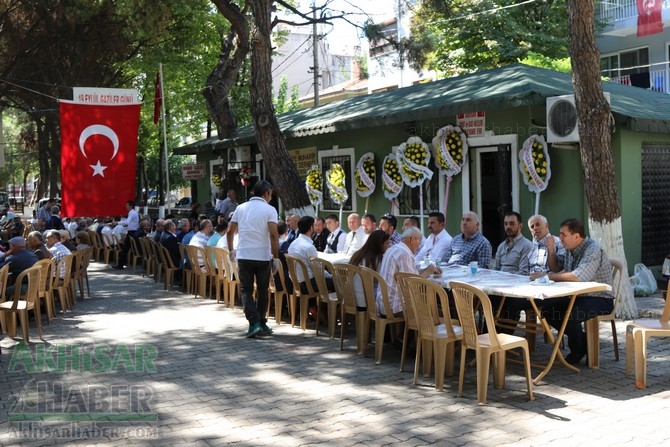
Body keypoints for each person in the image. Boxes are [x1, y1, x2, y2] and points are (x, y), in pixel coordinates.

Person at [531, 218, 614, 365]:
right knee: (548, 310)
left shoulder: (592, 249)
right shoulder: (570, 249)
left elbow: (577, 277)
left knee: (570, 315)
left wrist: (546, 276)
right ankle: (584, 343)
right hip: (578, 296)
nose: (560, 238)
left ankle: (577, 351)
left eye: (563, 235)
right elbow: (557, 268)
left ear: (576, 236)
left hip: (600, 297)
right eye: (560, 234)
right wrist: (551, 252)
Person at [226, 180, 280, 338]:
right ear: (266, 194)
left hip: (244, 255)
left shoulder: (240, 208)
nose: (271, 197)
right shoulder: (270, 210)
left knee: (246, 290)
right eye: (270, 194)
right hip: (262, 256)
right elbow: (274, 234)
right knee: (263, 290)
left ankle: (255, 322)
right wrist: (276, 257)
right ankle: (260, 321)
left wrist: (231, 250)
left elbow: (230, 231)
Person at [488, 212, 535, 334]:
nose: (508, 226)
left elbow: (523, 273)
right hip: (499, 286)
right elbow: (496, 269)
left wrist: (503, 283)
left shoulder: (527, 246)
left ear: (520, 226)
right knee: (486, 298)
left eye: (512, 223)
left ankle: (503, 339)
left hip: (517, 288)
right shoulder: (501, 246)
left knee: (509, 304)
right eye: (506, 224)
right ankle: (488, 336)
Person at [377, 227, 440, 317]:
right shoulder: (404, 253)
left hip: (383, 303)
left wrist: (427, 269)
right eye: (419, 242)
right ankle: (431, 330)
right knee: (433, 308)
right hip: (395, 307)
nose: (419, 246)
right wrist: (428, 271)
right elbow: (413, 285)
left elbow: (409, 274)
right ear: (412, 239)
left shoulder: (393, 249)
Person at [349, 230, 390, 309]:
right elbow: (383, 281)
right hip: (365, 301)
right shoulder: (377, 259)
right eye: (387, 243)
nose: (389, 245)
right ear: (379, 244)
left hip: (350, 297)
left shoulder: (357, 254)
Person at [113, 200, 139, 269]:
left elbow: (127, 222)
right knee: (125, 249)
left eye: (127, 205)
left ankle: (120, 264)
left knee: (125, 249)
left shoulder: (132, 213)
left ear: (130, 206)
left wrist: (117, 223)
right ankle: (120, 264)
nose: (126, 206)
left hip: (132, 232)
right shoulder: (132, 213)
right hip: (131, 232)